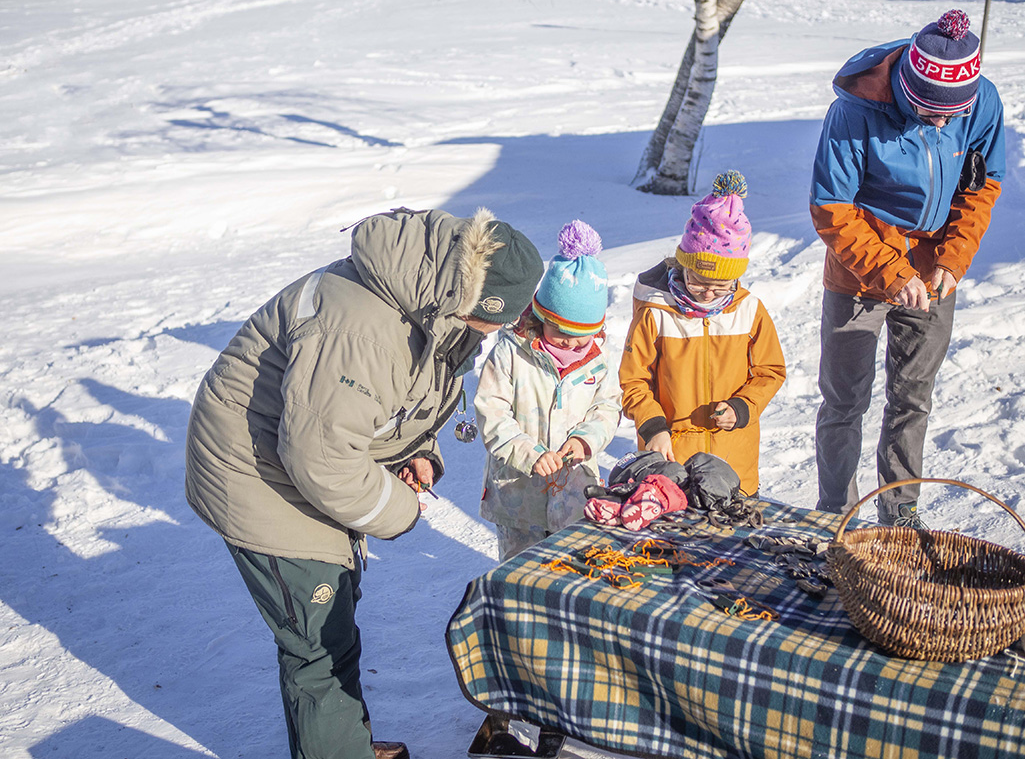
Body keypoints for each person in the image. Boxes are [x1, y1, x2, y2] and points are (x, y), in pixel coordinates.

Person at [184, 207, 544, 759]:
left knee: (333, 611)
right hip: (256, 471)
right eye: (499, 322)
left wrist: (415, 450)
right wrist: (398, 509)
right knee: (318, 642)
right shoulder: (364, 329)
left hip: (300, 453)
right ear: (478, 299)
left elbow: (400, 395)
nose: (506, 333)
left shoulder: (435, 299)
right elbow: (320, 457)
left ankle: (340, 742)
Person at [810, 9, 1005, 525]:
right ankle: (836, 513)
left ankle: (900, 512)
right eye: (930, 112)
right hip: (860, 265)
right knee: (844, 400)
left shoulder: (981, 101)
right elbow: (832, 206)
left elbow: (981, 185)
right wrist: (891, 273)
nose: (942, 122)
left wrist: (952, 259)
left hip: (935, 267)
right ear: (904, 89)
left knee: (912, 397)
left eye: (951, 115)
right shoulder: (855, 112)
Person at [619, 171, 786, 498]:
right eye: (697, 282)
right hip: (670, 459)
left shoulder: (749, 311)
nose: (708, 294)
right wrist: (653, 427)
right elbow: (633, 380)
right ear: (683, 267)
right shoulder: (657, 313)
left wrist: (742, 408)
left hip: (733, 460)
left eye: (720, 286)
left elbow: (771, 371)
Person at [474, 220, 622, 560]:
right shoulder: (512, 351)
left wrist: (586, 440)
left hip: (573, 492)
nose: (569, 342)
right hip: (517, 496)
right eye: (559, 330)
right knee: (520, 575)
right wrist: (530, 454)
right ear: (541, 316)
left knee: (570, 570)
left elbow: (608, 408)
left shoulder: (599, 359)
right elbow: (492, 413)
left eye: (580, 335)